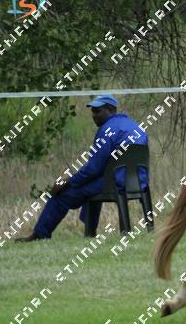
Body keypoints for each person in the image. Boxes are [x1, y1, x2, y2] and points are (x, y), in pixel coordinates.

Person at [15, 94, 149, 242]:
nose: (94, 115)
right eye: (92, 111)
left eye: (97, 111)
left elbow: (94, 168)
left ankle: (40, 234)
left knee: (61, 194)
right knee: (90, 185)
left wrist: (68, 181)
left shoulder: (108, 129)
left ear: (111, 110)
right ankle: (90, 233)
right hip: (138, 182)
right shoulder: (136, 127)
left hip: (114, 183)